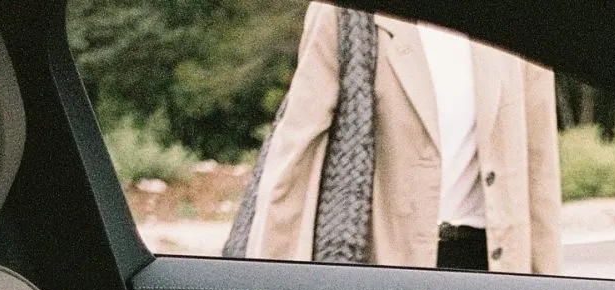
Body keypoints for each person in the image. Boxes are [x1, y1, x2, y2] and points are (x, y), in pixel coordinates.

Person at [224, 3, 562, 272]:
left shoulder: (519, 17)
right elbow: (295, 157)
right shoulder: (344, 12)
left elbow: (540, 169)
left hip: (490, 273)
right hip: (386, 275)